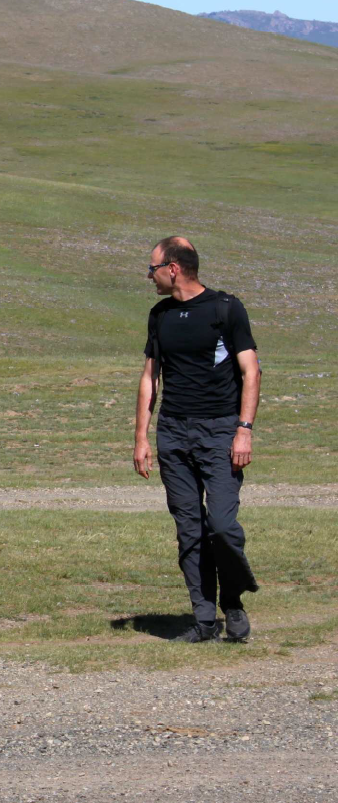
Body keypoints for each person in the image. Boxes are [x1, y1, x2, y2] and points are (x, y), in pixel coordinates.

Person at [133, 236, 260, 643]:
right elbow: (150, 378)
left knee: (221, 526)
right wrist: (141, 437)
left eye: (151, 268)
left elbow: (251, 372)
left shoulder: (226, 309)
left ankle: (234, 601)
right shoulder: (160, 315)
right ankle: (204, 620)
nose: (148, 276)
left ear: (173, 269)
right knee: (189, 529)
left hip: (221, 431)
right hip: (173, 432)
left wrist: (244, 430)